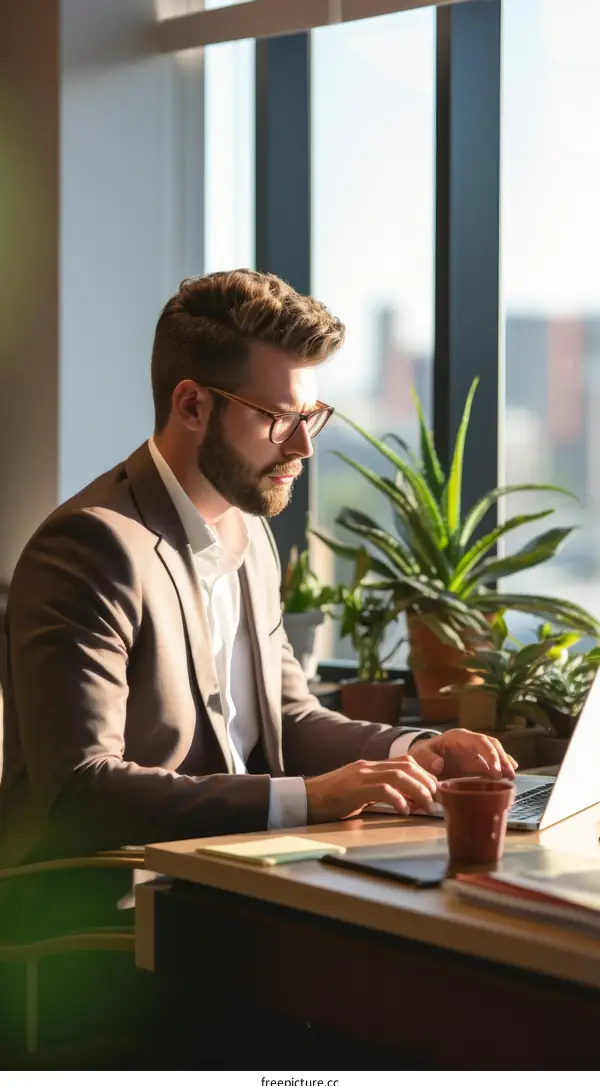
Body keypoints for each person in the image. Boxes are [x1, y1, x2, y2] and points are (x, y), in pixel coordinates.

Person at [0, 269, 516, 873]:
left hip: (229, 878)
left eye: (311, 415)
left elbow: (287, 720)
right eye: (278, 418)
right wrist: (313, 797)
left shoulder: (250, 534)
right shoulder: (92, 545)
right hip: (108, 901)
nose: (303, 447)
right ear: (192, 405)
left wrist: (420, 751)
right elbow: (81, 790)